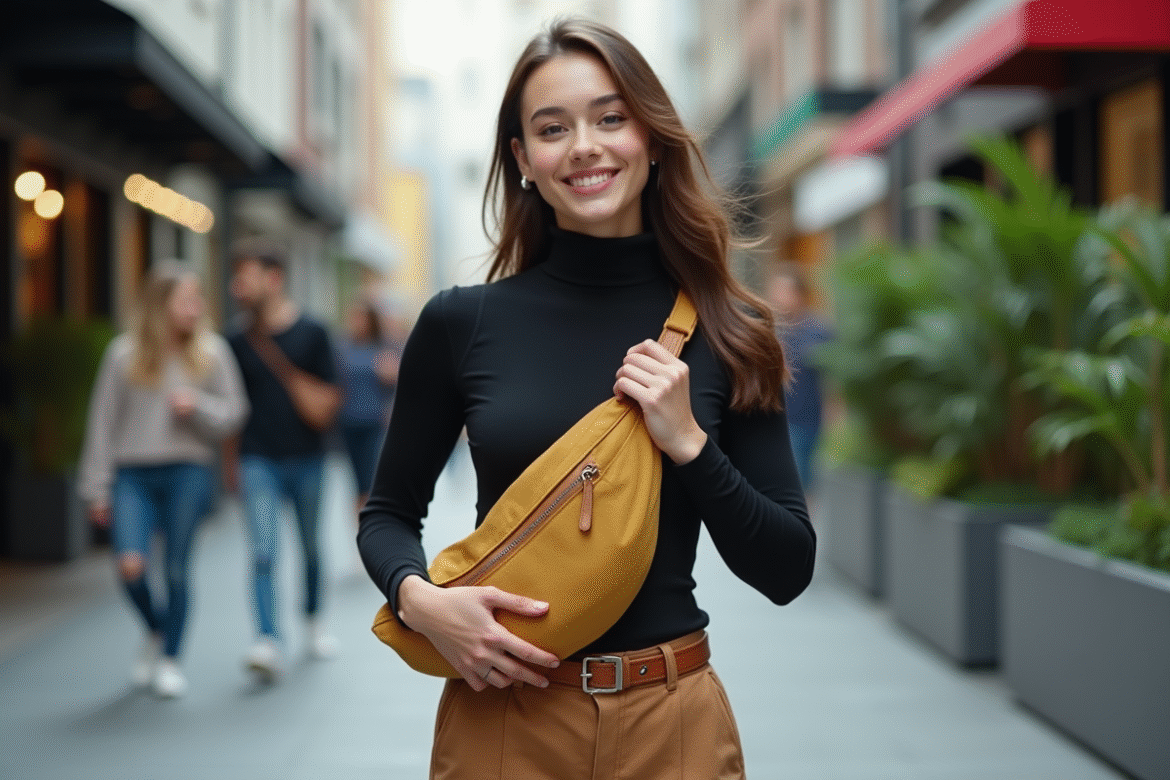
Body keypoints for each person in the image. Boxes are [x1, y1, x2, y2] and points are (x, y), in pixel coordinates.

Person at [357, 18, 815, 779]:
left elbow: (787, 568)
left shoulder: (733, 329)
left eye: (611, 118)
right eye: (552, 128)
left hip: (674, 721)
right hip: (504, 717)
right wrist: (422, 603)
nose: (584, 146)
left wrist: (689, 443)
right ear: (523, 160)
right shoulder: (460, 323)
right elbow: (387, 514)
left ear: (653, 136)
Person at [78, 261, 249, 698]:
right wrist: (96, 488)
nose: (196, 308)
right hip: (132, 472)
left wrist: (199, 407)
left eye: (198, 299)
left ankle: (171, 659)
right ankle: (157, 630)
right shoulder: (122, 354)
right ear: (160, 305)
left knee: (175, 568)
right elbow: (102, 423)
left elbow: (235, 413)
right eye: (186, 299)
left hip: (188, 471)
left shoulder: (211, 352)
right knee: (130, 566)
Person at [227, 243, 342, 682]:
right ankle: (267, 639)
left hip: (309, 458)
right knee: (262, 551)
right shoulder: (234, 340)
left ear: (273, 279)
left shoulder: (313, 332)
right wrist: (230, 464)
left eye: (248, 275)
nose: (240, 285)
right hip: (258, 459)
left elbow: (332, 396)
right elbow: (232, 406)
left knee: (311, 548)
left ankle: (313, 620)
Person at [768, 262, 833, 492]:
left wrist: (835, 416)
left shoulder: (819, 331)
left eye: (784, 290)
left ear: (799, 294)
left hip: (808, 418)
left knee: (803, 482)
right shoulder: (769, 331)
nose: (778, 296)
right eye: (776, 290)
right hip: (775, 418)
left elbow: (832, 379)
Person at [338, 298, 400, 515]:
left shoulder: (383, 347)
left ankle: (371, 523)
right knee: (357, 483)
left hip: (374, 421)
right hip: (349, 421)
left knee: (372, 480)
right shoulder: (343, 347)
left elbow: (399, 386)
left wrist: (390, 376)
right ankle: (359, 529)